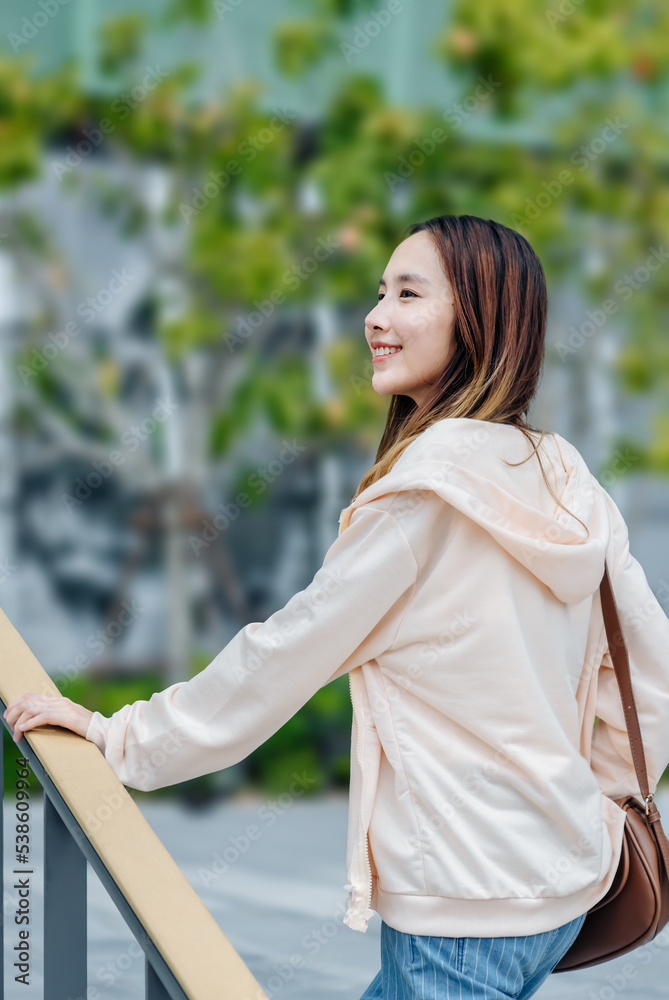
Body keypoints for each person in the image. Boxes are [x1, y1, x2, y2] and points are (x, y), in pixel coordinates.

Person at [5, 213, 669, 1000]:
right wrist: (594, 803)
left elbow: (281, 655)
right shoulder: (564, 478)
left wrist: (123, 739)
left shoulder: (420, 504)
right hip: (565, 881)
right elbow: (648, 672)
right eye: (379, 291)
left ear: (479, 320)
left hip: (462, 906)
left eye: (408, 294)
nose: (374, 316)